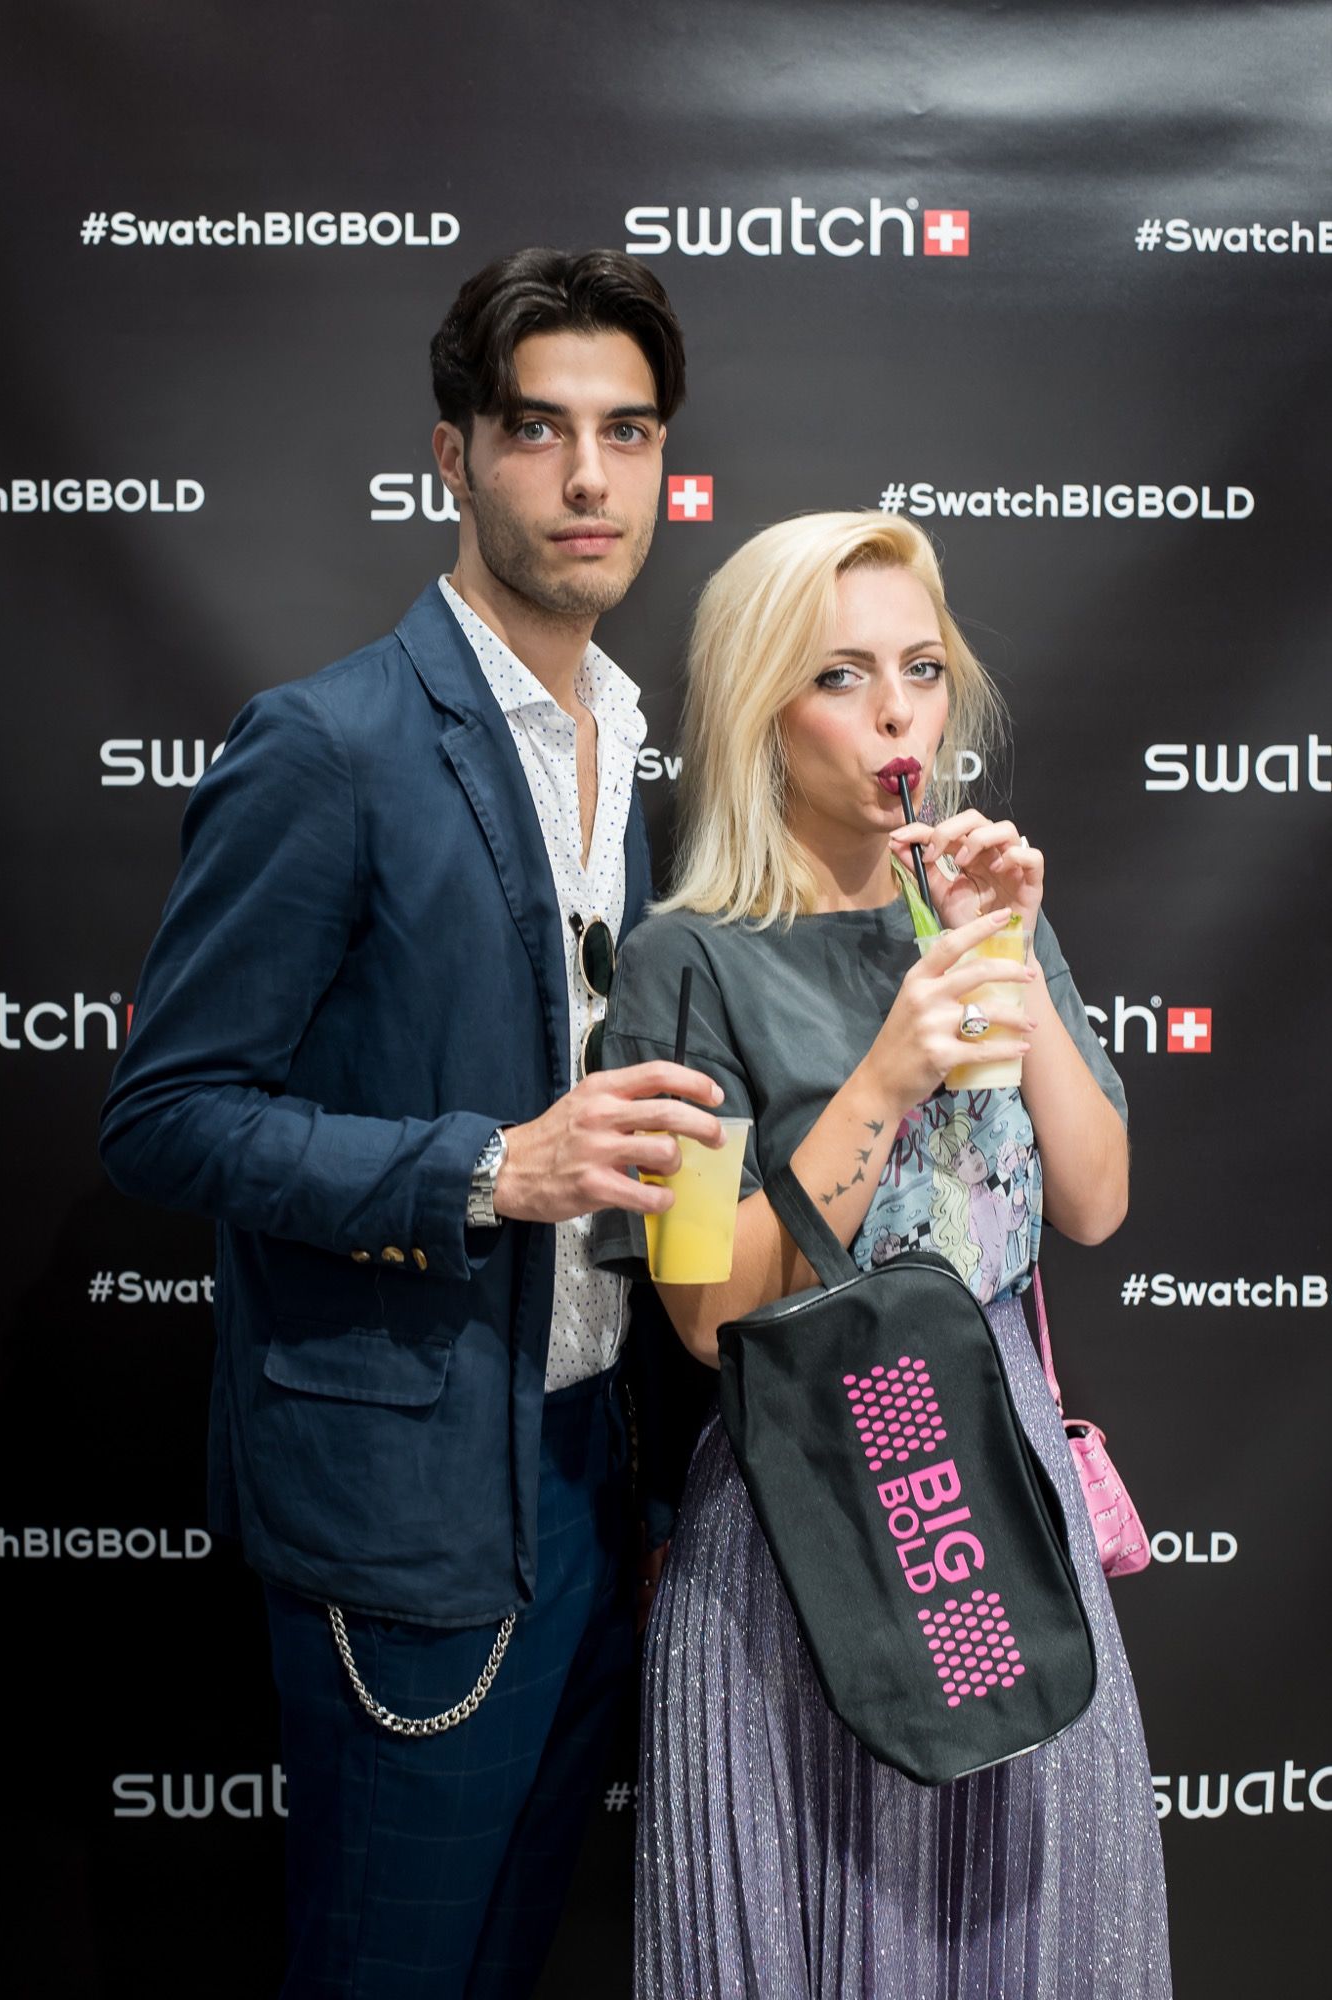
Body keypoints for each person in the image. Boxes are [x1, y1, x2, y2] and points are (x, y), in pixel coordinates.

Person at [99, 247, 726, 2000]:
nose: (588, 478)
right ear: (452, 454)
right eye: (537, 429)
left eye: (626, 432)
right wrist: (489, 1168)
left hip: (600, 1478)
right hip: (407, 1508)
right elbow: (166, 1117)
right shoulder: (328, 745)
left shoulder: (631, 743)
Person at [596, 512, 1172, 1997]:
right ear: (761, 710)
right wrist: (885, 1076)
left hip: (1006, 1506)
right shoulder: (684, 963)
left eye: (922, 668)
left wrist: (1010, 955)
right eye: (841, 676)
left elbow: (1096, 1203)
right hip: (816, 1518)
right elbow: (708, 1314)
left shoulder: (988, 919)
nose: (898, 712)